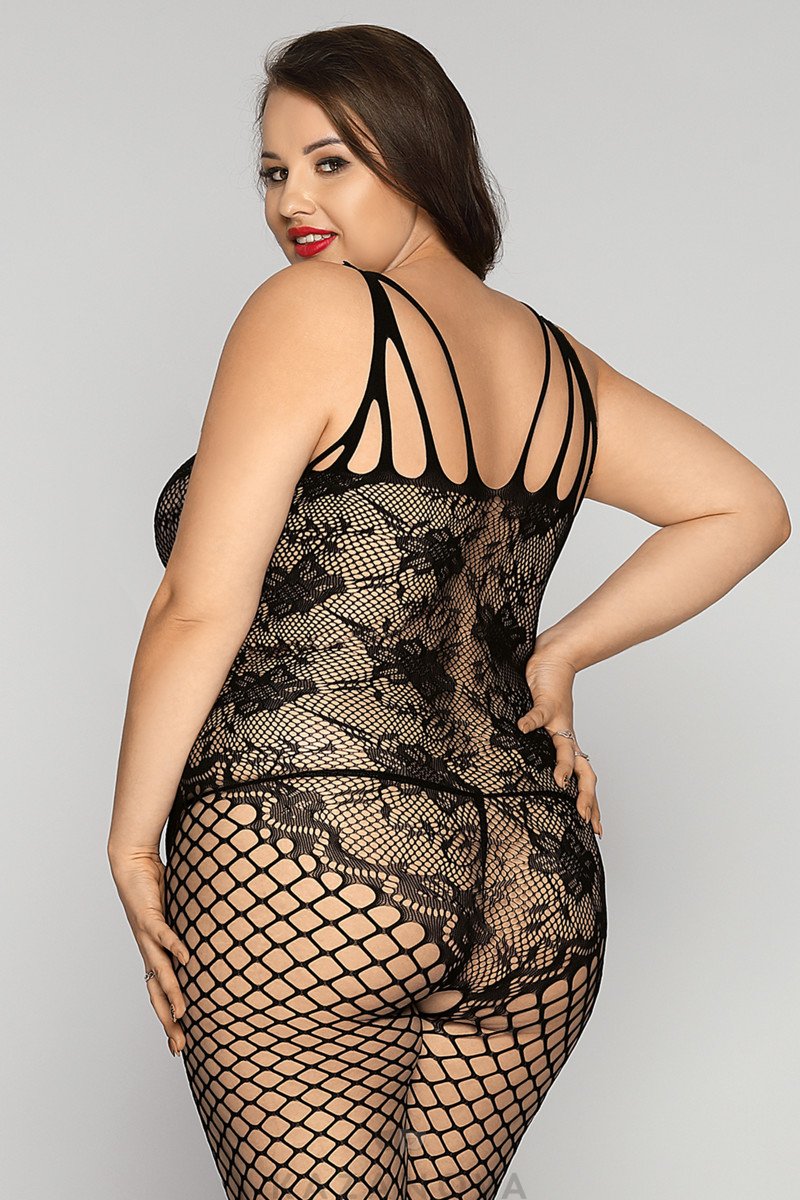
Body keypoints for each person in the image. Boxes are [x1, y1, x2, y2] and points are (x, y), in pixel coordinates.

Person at [106, 23, 790, 1200]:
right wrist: (556, 656)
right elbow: (742, 507)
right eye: (272, 170)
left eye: (331, 161)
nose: (291, 202)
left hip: (312, 849)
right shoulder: (552, 362)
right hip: (534, 876)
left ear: (418, 153)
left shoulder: (310, 309)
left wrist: (130, 840)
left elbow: (195, 607)